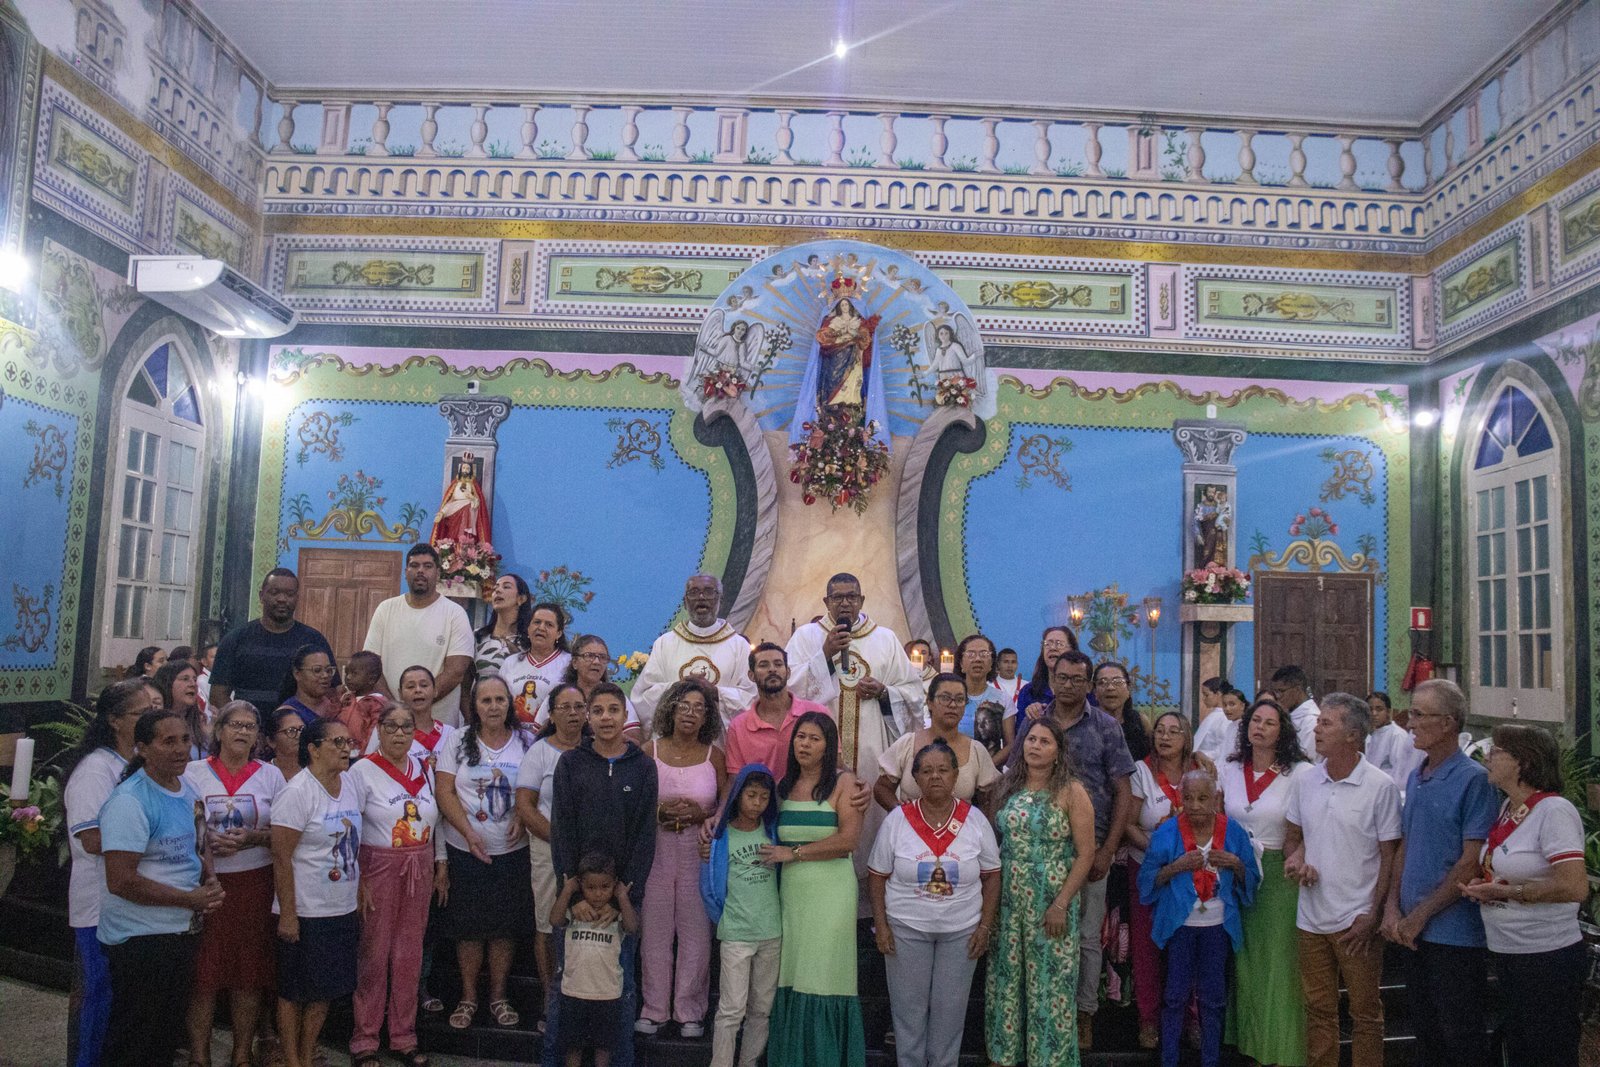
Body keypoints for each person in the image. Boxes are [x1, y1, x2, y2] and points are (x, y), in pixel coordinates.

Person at [97, 709, 225, 1067]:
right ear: (142, 749)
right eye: (168, 742)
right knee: (135, 1038)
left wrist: (210, 880)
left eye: (185, 739)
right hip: (141, 938)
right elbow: (120, 880)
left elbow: (200, 842)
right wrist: (188, 898)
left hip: (180, 932)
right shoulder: (130, 801)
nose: (181, 749)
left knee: (164, 1037)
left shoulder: (188, 789)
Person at [1381, 678, 1497, 1067]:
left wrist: (1421, 914)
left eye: (1418, 714)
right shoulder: (1417, 775)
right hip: (1413, 930)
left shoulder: (1474, 780)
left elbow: (1470, 861)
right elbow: (1406, 845)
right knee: (1425, 1033)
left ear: (1447, 723)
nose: (1409, 722)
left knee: (1460, 1036)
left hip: (1455, 935)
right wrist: (1393, 907)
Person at [1283, 693, 1402, 1067]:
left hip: (1356, 919)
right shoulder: (1306, 779)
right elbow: (1293, 838)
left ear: (1353, 735)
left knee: (1365, 1013)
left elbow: (1390, 856)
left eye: (1326, 723)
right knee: (1318, 1010)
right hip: (1310, 917)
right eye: (1318, 722)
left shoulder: (1380, 786)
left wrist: (1373, 914)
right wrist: (1296, 859)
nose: (1316, 730)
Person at [1462, 724, 1589, 1067]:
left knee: (1546, 1050)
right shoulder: (1509, 807)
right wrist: (1485, 887)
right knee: (1518, 1048)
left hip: (1546, 955)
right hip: (1509, 950)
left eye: (1496, 751)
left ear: (1523, 762)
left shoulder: (1554, 811)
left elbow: (1574, 886)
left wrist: (1510, 892)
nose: (1486, 757)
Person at [869, 739, 1001, 1067]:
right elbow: (877, 876)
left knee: (950, 1012)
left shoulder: (975, 820)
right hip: (906, 929)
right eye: (926, 771)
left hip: (961, 931)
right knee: (908, 1012)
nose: (935, 776)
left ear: (956, 775)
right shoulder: (898, 820)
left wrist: (985, 926)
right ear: (914, 778)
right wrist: (881, 926)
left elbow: (992, 876)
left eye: (943, 770)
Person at [546, 683, 659, 1067]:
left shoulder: (642, 767)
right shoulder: (571, 764)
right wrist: (575, 895)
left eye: (614, 710)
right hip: (578, 901)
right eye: (598, 711)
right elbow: (562, 830)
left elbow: (645, 836)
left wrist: (622, 897)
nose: (606, 717)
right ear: (587, 717)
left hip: (620, 904)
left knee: (622, 988)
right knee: (565, 984)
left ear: (625, 715)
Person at [785, 572, 922, 884]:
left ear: (862, 600)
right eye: (837, 597)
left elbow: (914, 693)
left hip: (873, 752)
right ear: (826, 602)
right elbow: (788, 689)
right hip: (820, 756)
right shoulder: (806, 638)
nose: (845, 603)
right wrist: (825, 654)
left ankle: (870, 895)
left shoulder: (885, 639)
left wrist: (885, 691)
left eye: (851, 596)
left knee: (872, 823)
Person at [1028, 650, 1133, 1047]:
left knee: (1087, 938)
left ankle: (1083, 1012)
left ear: (1088, 685)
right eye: (1062, 677)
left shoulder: (1106, 727)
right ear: (1052, 679)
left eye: (1077, 679)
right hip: (1040, 852)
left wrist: (1107, 850)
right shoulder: (1037, 724)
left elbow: (1123, 791)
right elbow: (1019, 775)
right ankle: (1043, 1009)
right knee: (1041, 931)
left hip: (1090, 851)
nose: (1068, 685)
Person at [984, 717, 1097, 1066]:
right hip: (1008, 899)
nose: (1035, 746)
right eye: (1031, 739)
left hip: (1051, 899)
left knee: (1049, 986)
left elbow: (1086, 854)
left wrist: (1061, 903)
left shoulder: (1072, 791)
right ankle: (1002, 1057)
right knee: (1005, 983)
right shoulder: (1006, 786)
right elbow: (992, 841)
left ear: (1059, 751)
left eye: (1045, 741)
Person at [61, 678, 159, 1067]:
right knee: (97, 997)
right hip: (99, 905)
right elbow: (91, 839)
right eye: (142, 712)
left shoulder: (137, 765)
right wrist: (157, 838)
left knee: (126, 1003)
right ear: (115, 720)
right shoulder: (95, 769)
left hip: (132, 903)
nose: (151, 718)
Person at [184, 701, 286, 1067]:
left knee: (248, 973)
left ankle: (242, 1054)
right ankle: (200, 1055)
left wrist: (253, 838)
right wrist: (204, 841)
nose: (243, 732)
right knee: (204, 974)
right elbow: (180, 822)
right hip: (207, 885)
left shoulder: (271, 775)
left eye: (250, 726)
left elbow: (286, 831)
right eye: (235, 725)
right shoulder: (193, 772)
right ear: (219, 729)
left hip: (255, 883)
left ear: (258, 735)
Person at [762, 711, 865, 1067]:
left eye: (814, 739)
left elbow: (849, 840)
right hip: (792, 893)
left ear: (828, 746)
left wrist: (794, 853)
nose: (805, 744)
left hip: (832, 892)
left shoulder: (846, 784)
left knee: (824, 973)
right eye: (800, 737)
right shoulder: (783, 786)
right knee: (793, 972)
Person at [1139, 769, 1259, 1067]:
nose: (1195, 805)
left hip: (1217, 927)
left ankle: (1211, 1060)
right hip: (1180, 926)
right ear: (1181, 798)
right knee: (1174, 996)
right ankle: (1169, 1060)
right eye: (1189, 798)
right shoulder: (1167, 833)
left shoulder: (1233, 832)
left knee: (1213, 998)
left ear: (1216, 799)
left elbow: (1251, 877)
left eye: (1203, 798)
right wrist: (1175, 867)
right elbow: (1146, 881)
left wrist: (1235, 863)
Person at [435, 673, 535, 1030]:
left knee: (504, 929)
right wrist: (467, 832)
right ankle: (468, 997)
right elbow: (444, 790)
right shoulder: (457, 740)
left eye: (500, 700)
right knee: (469, 929)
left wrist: (523, 816)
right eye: (485, 700)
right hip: (465, 849)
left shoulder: (526, 740)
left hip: (512, 851)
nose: (493, 707)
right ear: (474, 705)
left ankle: (497, 996)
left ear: (510, 704)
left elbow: (536, 787)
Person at [347, 701, 443, 1067]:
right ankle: (365, 1038)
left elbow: (436, 819)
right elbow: (352, 825)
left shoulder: (424, 768)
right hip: (378, 866)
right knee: (374, 952)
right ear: (379, 730)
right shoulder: (362, 771)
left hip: (420, 864)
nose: (400, 734)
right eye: (391, 726)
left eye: (406, 727)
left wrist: (441, 862)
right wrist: (358, 877)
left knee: (409, 952)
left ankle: (404, 1035)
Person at [1220, 697, 1310, 1067]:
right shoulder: (1230, 768)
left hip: (1278, 874)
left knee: (1278, 962)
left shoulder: (1300, 773)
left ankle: (1283, 1051)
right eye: (1255, 720)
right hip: (1236, 871)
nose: (1260, 727)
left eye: (1269, 723)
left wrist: (1300, 854)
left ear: (1282, 731)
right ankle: (1252, 1044)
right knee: (1245, 961)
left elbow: (1314, 825)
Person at [271, 716, 363, 1067]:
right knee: (294, 991)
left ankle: (308, 1054)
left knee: (325, 989)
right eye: (337, 742)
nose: (346, 748)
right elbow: (281, 856)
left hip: (340, 906)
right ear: (313, 749)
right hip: (306, 909)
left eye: (348, 742)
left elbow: (355, 842)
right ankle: (292, 1059)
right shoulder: (297, 792)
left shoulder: (349, 783)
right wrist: (289, 915)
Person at [639, 679, 727, 1036]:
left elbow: (725, 803)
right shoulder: (649, 751)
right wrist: (657, 811)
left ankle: (690, 1011)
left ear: (707, 716)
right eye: (684, 705)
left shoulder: (713, 755)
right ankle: (654, 1009)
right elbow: (633, 801)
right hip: (656, 849)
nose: (690, 713)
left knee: (696, 933)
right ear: (671, 708)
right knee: (654, 932)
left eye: (699, 708)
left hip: (697, 850)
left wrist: (704, 815)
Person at [1123, 710, 1212, 1049]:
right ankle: (1148, 1019)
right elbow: (1130, 824)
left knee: (1188, 945)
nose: (1165, 736)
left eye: (1174, 731)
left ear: (1187, 738)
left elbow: (1216, 817)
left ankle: (1191, 1017)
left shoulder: (1200, 771)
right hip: (1148, 870)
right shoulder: (1141, 771)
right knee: (1147, 947)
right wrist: (1162, 851)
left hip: (1192, 872)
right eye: (1160, 730)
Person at [515, 681, 590, 1025]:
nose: (573, 713)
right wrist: (561, 842)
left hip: (591, 856)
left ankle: (584, 996)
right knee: (548, 922)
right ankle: (551, 997)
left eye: (579, 707)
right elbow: (526, 806)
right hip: (547, 850)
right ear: (551, 714)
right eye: (565, 707)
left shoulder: (595, 750)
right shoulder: (540, 752)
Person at [700, 765, 782, 1067]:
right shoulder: (720, 837)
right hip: (735, 934)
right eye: (751, 795)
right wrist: (723, 919)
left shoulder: (773, 833)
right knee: (731, 1009)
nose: (757, 803)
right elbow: (708, 886)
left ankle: (749, 1062)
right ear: (737, 796)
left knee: (761, 1008)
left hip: (771, 932)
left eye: (764, 797)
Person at [364, 544, 474, 726]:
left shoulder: (455, 613)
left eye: (428, 566)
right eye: (414, 566)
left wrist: (417, 704)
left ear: (437, 573)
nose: (420, 571)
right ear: (405, 572)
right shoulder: (386, 609)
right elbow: (371, 666)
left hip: (439, 726)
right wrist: (395, 707)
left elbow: (456, 672)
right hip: (392, 723)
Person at [632, 574, 757, 731]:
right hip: (673, 738)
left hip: (720, 739)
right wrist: (678, 688)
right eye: (694, 592)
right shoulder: (665, 643)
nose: (701, 597)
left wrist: (715, 693)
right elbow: (643, 697)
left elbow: (751, 697)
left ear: (721, 600)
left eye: (709, 592)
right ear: (685, 602)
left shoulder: (739, 646)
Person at [550, 852, 641, 1067]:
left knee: (604, 1048)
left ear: (614, 885)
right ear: (581, 885)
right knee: (573, 1046)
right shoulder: (574, 911)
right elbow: (555, 920)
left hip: (607, 993)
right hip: (573, 991)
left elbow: (632, 927)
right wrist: (567, 891)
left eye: (605, 887)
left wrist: (622, 898)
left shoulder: (616, 914)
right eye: (591, 887)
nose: (598, 894)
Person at [210, 568, 333, 711]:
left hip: (300, 724)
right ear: (261, 596)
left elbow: (331, 693)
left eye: (289, 594)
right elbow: (217, 695)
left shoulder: (314, 640)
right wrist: (243, 720)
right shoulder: (235, 639)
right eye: (274, 593)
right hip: (248, 724)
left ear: (297, 598)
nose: (282, 599)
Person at [874, 672, 998, 810]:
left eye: (959, 699)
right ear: (930, 702)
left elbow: (988, 800)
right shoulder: (907, 743)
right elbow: (882, 788)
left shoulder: (976, 750)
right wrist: (901, 812)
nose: (953, 705)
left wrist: (975, 820)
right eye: (945, 698)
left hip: (960, 823)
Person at [723, 642, 831, 778]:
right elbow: (735, 779)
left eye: (778, 664)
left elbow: (835, 765)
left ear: (788, 672)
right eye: (763, 665)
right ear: (751, 675)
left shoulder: (818, 713)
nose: (772, 669)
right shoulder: (738, 727)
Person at [533, 632, 642, 737]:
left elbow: (634, 736)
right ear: (575, 662)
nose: (596, 662)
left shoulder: (614, 695)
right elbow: (536, 734)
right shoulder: (559, 695)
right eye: (589, 656)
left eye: (602, 657)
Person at [1001, 624, 1078, 762]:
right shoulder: (1028, 691)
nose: (1052, 648)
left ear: (1072, 650)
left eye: (1059, 644)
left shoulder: (1082, 690)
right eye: (1048, 644)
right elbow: (1021, 738)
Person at [500, 601, 573, 723]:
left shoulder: (569, 662)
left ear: (559, 633)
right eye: (537, 622)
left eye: (549, 624)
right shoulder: (511, 662)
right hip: (513, 731)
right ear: (528, 629)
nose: (541, 628)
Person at [953, 633, 1008, 756]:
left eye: (983, 654)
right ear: (961, 663)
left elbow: (1009, 745)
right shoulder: (951, 698)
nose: (977, 659)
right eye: (971, 654)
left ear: (991, 663)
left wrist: (988, 765)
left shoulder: (1002, 699)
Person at [472, 573, 532, 680]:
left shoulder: (530, 640)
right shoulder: (478, 636)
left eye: (506, 587)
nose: (498, 590)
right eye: (495, 588)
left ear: (521, 599)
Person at [1364, 690, 1423, 787]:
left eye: (1379, 709)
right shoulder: (1373, 734)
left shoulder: (1396, 735)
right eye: (1370, 709)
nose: (1374, 713)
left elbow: (1399, 769)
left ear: (1388, 711)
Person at [431, 452, 491, 546]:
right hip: (454, 506)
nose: (465, 470)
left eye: (467, 468)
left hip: (468, 508)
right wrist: (442, 512)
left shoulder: (473, 485)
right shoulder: (455, 484)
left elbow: (478, 503)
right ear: (460, 469)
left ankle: (465, 543)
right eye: (464, 468)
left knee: (468, 508)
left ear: (471, 470)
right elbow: (450, 500)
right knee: (450, 527)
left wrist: (472, 498)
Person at [1094, 660, 1149, 763]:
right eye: (1103, 682)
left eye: (1118, 682)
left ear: (1128, 689)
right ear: (1095, 692)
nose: (1110, 687)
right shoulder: (1085, 721)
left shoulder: (1141, 721)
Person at [337, 650, 390, 751]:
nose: (348, 677)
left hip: (360, 753)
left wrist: (365, 754)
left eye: (354, 673)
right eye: (347, 673)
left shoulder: (376, 703)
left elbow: (375, 732)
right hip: (340, 751)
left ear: (371, 679)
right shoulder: (347, 698)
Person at [155, 658, 207, 758]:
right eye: (185, 679)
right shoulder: (155, 725)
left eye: (195, 679)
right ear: (168, 683)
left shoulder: (200, 724)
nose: (193, 684)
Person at [276, 645, 340, 726]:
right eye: (317, 670)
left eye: (328, 670)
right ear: (297, 674)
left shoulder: (336, 706)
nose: (325, 675)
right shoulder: (287, 716)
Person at [1268, 665, 1320, 763]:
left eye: (1281, 691)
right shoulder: (1289, 715)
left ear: (1297, 689)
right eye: (1275, 692)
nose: (1278, 696)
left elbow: (1305, 759)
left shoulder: (1311, 721)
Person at [1193, 686, 1246, 765]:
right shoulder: (1231, 726)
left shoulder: (1245, 728)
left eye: (1232, 704)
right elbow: (1222, 750)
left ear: (1242, 706)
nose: (1227, 709)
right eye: (1224, 705)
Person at [266, 707, 306, 781]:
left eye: (302, 729)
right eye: (291, 730)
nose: (299, 735)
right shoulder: (262, 774)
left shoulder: (316, 771)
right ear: (271, 741)